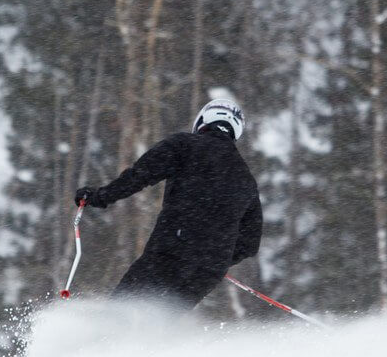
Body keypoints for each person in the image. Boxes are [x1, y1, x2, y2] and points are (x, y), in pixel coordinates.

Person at [74, 98, 262, 309]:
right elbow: (250, 244)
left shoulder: (184, 145)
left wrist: (99, 196)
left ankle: (101, 330)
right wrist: (219, 257)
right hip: (208, 271)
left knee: (122, 309)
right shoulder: (247, 179)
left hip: (173, 249)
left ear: (203, 120)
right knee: (162, 320)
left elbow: (139, 175)